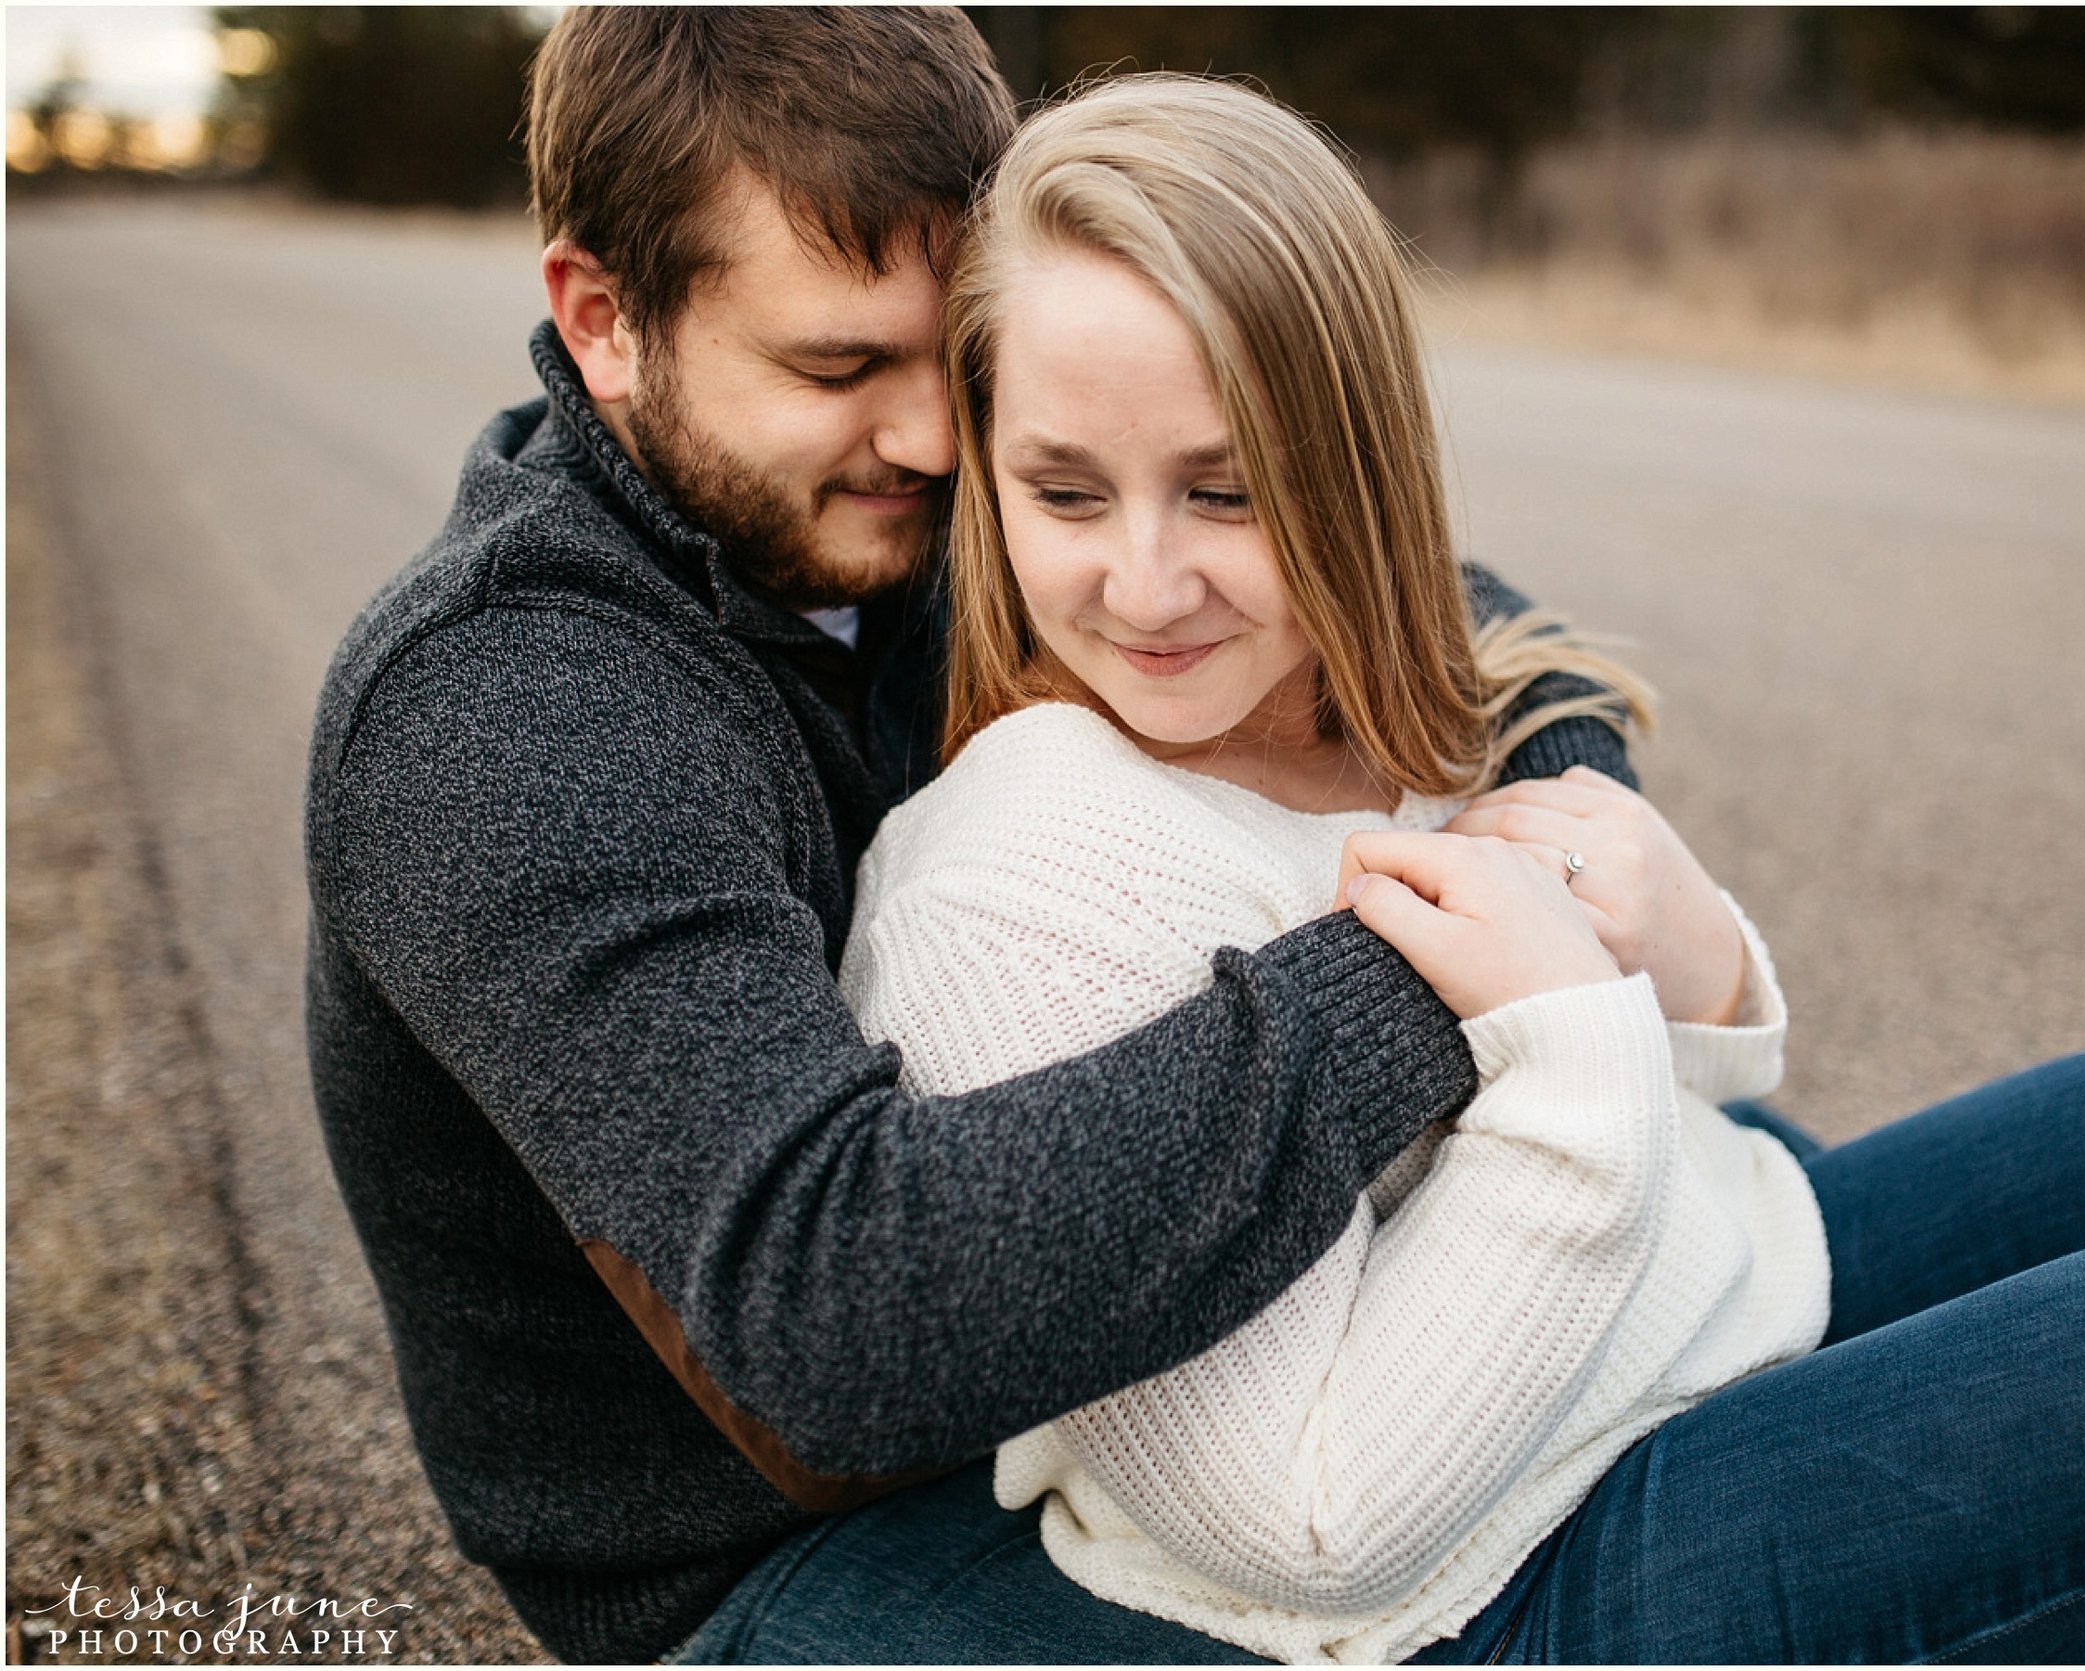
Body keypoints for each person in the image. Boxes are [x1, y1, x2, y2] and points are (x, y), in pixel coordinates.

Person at [670, 72, 2085, 1667]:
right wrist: (1581, 1055)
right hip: (1498, 1589)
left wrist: (1693, 969)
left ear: (1354, 463)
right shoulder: (1020, 885)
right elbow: (1315, 1524)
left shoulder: (1352, 695)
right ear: (984, 470)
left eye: (1226, 492)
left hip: (1711, 1303)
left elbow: (1616, 1086)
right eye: (1065, 494)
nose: (1145, 586)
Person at [299, 10, 1648, 1664]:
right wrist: (1452, 971)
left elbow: (1451, 616)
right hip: (786, 1563)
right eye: (837, 365)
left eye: (955, 360)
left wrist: (1563, 831)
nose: (937, 443)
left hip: (1077, 1407)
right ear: (604, 320)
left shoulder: (924, 503)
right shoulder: (506, 710)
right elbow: (842, 1306)